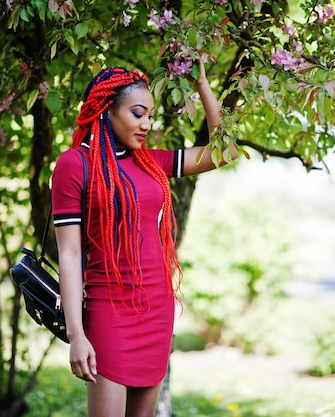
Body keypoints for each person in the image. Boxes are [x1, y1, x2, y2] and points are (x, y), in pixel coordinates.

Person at [51, 58, 236, 417]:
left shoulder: (150, 161)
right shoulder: (75, 165)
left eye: (150, 116)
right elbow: (70, 256)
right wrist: (77, 335)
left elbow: (223, 151)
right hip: (108, 311)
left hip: (156, 310)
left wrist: (202, 85)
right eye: (138, 114)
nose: (147, 125)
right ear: (107, 110)